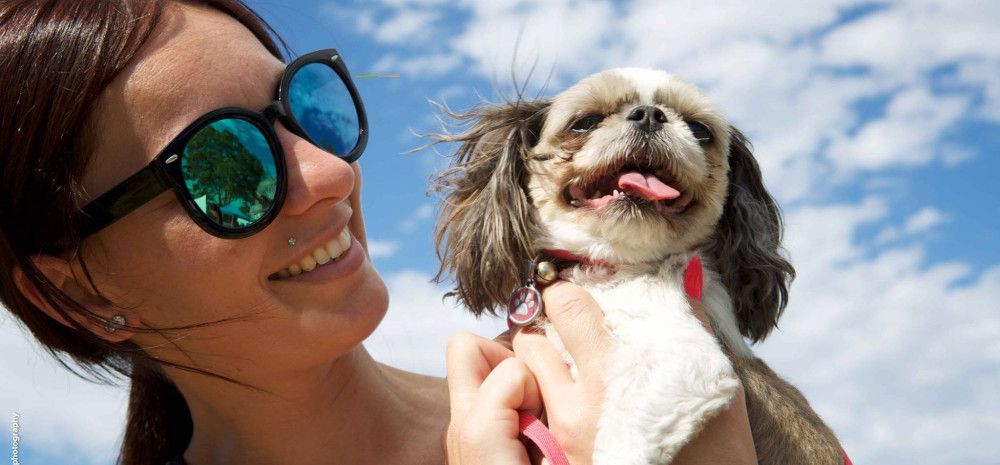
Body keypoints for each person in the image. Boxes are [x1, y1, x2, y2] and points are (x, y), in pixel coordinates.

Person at [0, 1, 759, 464]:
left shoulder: (601, 396)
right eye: (223, 165)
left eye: (307, 107)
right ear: (76, 291)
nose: (331, 173)